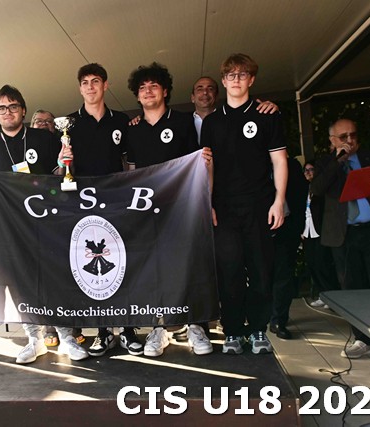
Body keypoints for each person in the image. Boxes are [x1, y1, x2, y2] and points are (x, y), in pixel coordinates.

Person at [0, 85, 88, 364]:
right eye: (1, 108)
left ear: (23, 110)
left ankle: (67, 337)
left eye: (13, 106)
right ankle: (34, 339)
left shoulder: (44, 139)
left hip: (47, 223)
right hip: (11, 229)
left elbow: (60, 175)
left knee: (56, 279)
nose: (7, 112)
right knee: (20, 283)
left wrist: (64, 163)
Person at [201, 53, 288, 355]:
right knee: (230, 270)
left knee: (261, 269)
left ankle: (259, 329)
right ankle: (233, 331)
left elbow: (279, 161)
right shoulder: (212, 122)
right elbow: (208, 166)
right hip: (224, 208)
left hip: (260, 205)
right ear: (224, 81)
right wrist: (207, 203)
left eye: (242, 75)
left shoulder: (267, 115)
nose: (236, 80)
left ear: (251, 79)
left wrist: (279, 201)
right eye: (231, 75)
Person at [125, 62, 213, 358]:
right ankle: (158, 328)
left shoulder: (185, 122)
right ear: (137, 95)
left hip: (182, 208)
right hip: (147, 212)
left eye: (154, 86)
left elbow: (198, 164)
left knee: (189, 265)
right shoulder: (133, 130)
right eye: (142, 88)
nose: (148, 91)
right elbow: (132, 172)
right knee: (154, 270)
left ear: (165, 91)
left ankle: (196, 325)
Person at [64, 63, 142, 357]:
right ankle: (103, 331)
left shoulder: (121, 120)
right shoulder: (69, 123)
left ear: (106, 85)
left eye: (96, 81)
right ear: (79, 88)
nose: (90, 87)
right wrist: (62, 161)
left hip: (117, 203)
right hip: (83, 206)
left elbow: (130, 164)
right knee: (95, 268)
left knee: (121, 263)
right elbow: (63, 171)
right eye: (85, 82)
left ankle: (129, 330)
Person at [310, 118, 370, 358]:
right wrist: (338, 160)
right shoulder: (325, 163)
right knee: (351, 288)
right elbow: (317, 189)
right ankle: (362, 339)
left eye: (353, 135)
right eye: (343, 137)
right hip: (344, 235)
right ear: (332, 141)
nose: (350, 141)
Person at [29, 109, 85, 348]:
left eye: (48, 121)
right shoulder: (24, 144)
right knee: (42, 275)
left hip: (63, 214)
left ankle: (74, 327)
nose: (43, 125)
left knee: (68, 271)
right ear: (31, 124)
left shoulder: (63, 143)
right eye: (38, 121)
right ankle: (49, 327)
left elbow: (62, 175)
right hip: (33, 218)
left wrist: (63, 163)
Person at [269, 156, 307, 339]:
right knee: (261, 275)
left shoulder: (291, 165)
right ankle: (261, 315)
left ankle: (279, 320)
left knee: (283, 275)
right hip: (256, 229)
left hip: (287, 226)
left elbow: (301, 194)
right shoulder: (250, 161)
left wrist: (298, 227)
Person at [301, 161, 339, 308]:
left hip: (321, 231)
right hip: (308, 232)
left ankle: (332, 296)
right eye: (305, 170)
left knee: (323, 263)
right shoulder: (304, 189)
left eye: (311, 169)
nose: (308, 172)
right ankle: (322, 294)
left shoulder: (321, 190)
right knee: (312, 263)